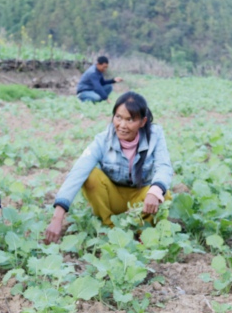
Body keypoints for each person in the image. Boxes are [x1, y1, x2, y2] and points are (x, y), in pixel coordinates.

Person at [45, 91, 173, 243]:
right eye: (118, 117)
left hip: (141, 200)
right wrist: (58, 216)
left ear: (143, 121)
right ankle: (108, 227)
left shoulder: (155, 136)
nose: (122, 125)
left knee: (163, 195)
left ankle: (142, 231)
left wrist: (155, 191)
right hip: (114, 198)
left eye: (130, 119)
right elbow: (78, 171)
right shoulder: (103, 140)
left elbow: (164, 166)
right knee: (91, 176)